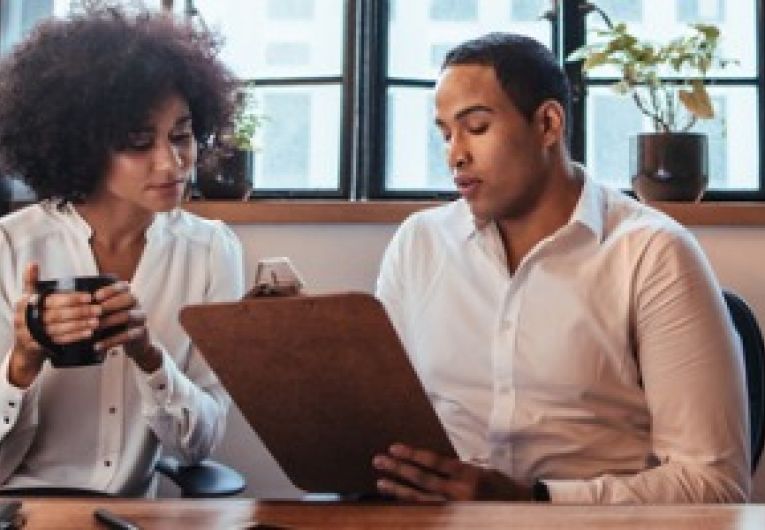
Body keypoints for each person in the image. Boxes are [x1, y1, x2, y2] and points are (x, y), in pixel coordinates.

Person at [372, 33, 750, 503]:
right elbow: (378, 424)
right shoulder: (419, 244)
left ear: (548, 124)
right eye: (446, 133)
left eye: (477, 127)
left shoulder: (654, 254)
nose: (455, 154)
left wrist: (534, 500)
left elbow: (715, 485)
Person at [0, 7, 244, 496]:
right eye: (138, 142)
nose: (172, 162)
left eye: (181, 135)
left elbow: (200, 446)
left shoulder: (211, 251)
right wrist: (22, 362)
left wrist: (150, 357)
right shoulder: (10, 247)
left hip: (130, 518)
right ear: (83, 145)